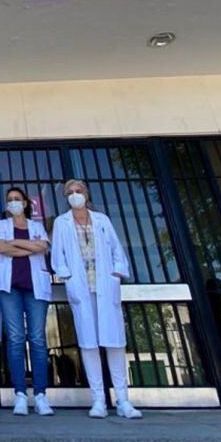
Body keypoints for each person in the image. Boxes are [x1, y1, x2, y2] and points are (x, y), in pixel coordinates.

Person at [51, 178, 143, 419]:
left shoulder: (102, 220)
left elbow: (116, 250)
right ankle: (98, 400)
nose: (74, 195)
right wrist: (68, 278)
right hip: (82, 289)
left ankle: (123, 400)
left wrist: (116, 274)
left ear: (86, 194)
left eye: (77, 191)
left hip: (104, 286)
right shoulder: (62, 223)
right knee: (88, 344)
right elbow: (57, 256)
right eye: (69, 192)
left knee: (114, 343)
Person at [0, 187, 54, 416]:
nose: (14, 202)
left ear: (26, 203)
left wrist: (15, 245)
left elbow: (43, 248)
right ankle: (20, 393)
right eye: (10, 200)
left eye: (17, 199)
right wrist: (30, 247)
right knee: (16, 338)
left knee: (37, 338)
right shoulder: (1, 226)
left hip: (35, 287)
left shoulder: (37, 226)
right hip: (9, 288)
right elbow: (1, 248)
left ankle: (40, 395)